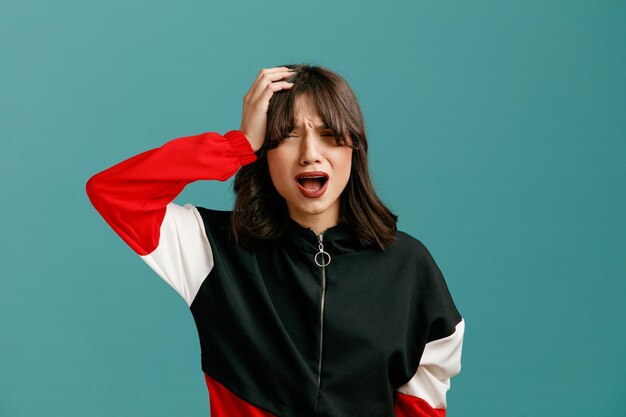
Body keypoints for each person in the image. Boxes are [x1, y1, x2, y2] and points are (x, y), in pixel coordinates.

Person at [85, 64, 465, 417]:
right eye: (287, 136)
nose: (309, 154)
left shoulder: (408, 266)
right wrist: (236, 145)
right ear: (265, 153)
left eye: (329, 136)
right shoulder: (214, 248)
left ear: (354, 149)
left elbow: (423, 400)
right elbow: (115, 193)